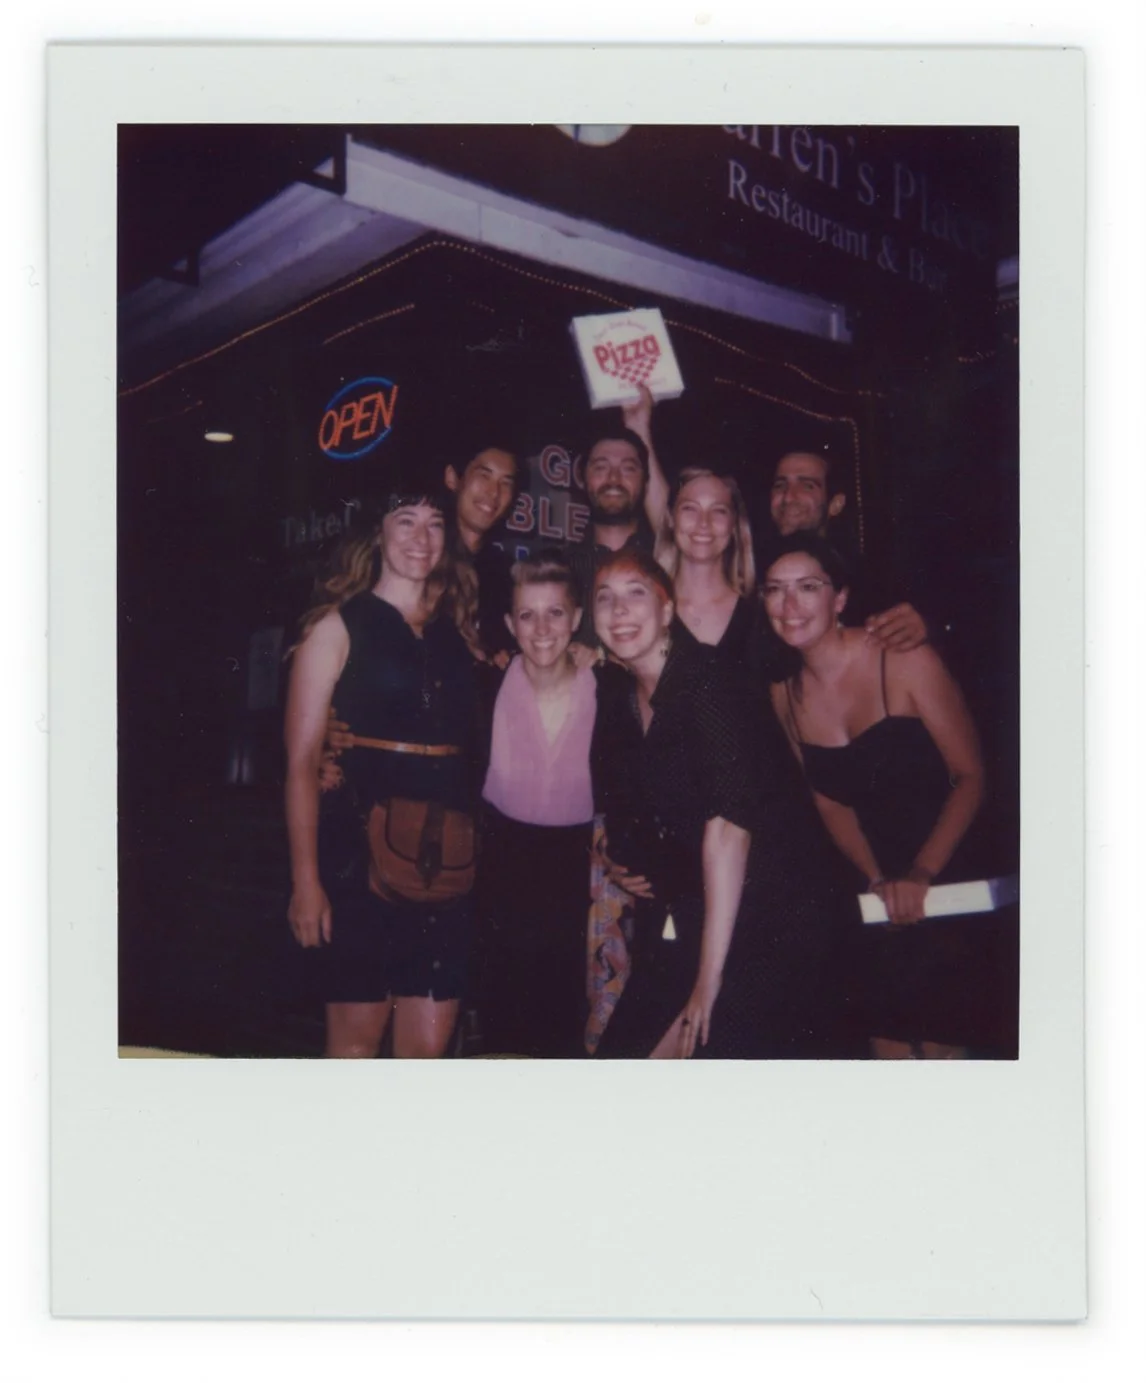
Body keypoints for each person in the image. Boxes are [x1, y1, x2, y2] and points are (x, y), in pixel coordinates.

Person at [764, 534, 1015, 1058]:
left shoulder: (903, 659)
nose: (789, 606)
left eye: (807, 588)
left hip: (950, 878)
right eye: (775, 590)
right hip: (875, 892)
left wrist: (921, 873)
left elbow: (970, 776)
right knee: (887, 1054)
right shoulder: (782, 695)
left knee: (951, 1058)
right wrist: (879, 877)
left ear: (839, 599)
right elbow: (829, 801)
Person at [590, 550, 841, 1059]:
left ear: (666, 612)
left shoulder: (706, 679)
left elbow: (728, 829)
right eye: (605, 599)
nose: (619, 611)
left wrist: (708, 981)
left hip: (776, 917)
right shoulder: (619, 695)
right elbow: (641, 809)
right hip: (704, 912)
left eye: (635, 594)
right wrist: (622, 861)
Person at [284, 485, 481, 1059]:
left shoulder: (458, 634)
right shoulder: (337, 627)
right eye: (406, 521)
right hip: (356, 866)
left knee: (424, 1058)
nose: (422, 538)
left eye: (435, 524)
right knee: (354, 1053)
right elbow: (299, 765)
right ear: (379, 534)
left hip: (446, 863)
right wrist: (305, 883)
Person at [476, 554, 597, 1057]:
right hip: (502, 878)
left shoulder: (607, 688)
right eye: (527, 615)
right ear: (510, 624)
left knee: (570, 1034)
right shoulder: (485, 688)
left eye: (555, 613)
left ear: (576, 619)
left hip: (583, 878)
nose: (542, 628)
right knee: (506, 1031)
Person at [768, 450, 928, 654]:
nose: (788, 497)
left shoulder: (868, 582)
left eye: (807, 485)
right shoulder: (752, 574)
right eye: (780, 485)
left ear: (836, 504)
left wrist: (922, 625)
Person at [443, 441, 519, 659]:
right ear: (453, 478)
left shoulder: (504, 573)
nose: (494, 493)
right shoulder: (420, 556)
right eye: (484, 475)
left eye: (506, 483)